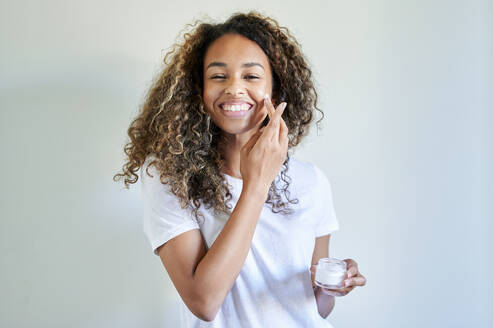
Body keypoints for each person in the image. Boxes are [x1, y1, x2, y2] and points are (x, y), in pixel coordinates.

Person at [114, 11, 366, 327]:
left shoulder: (311, 181)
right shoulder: (170, 177)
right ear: (199, 90)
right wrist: (257, 182)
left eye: (251, 76)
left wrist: (332, 286)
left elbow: (314, 308)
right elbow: (203, 301)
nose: (234, 88)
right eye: (218, 76)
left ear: (275, 90)